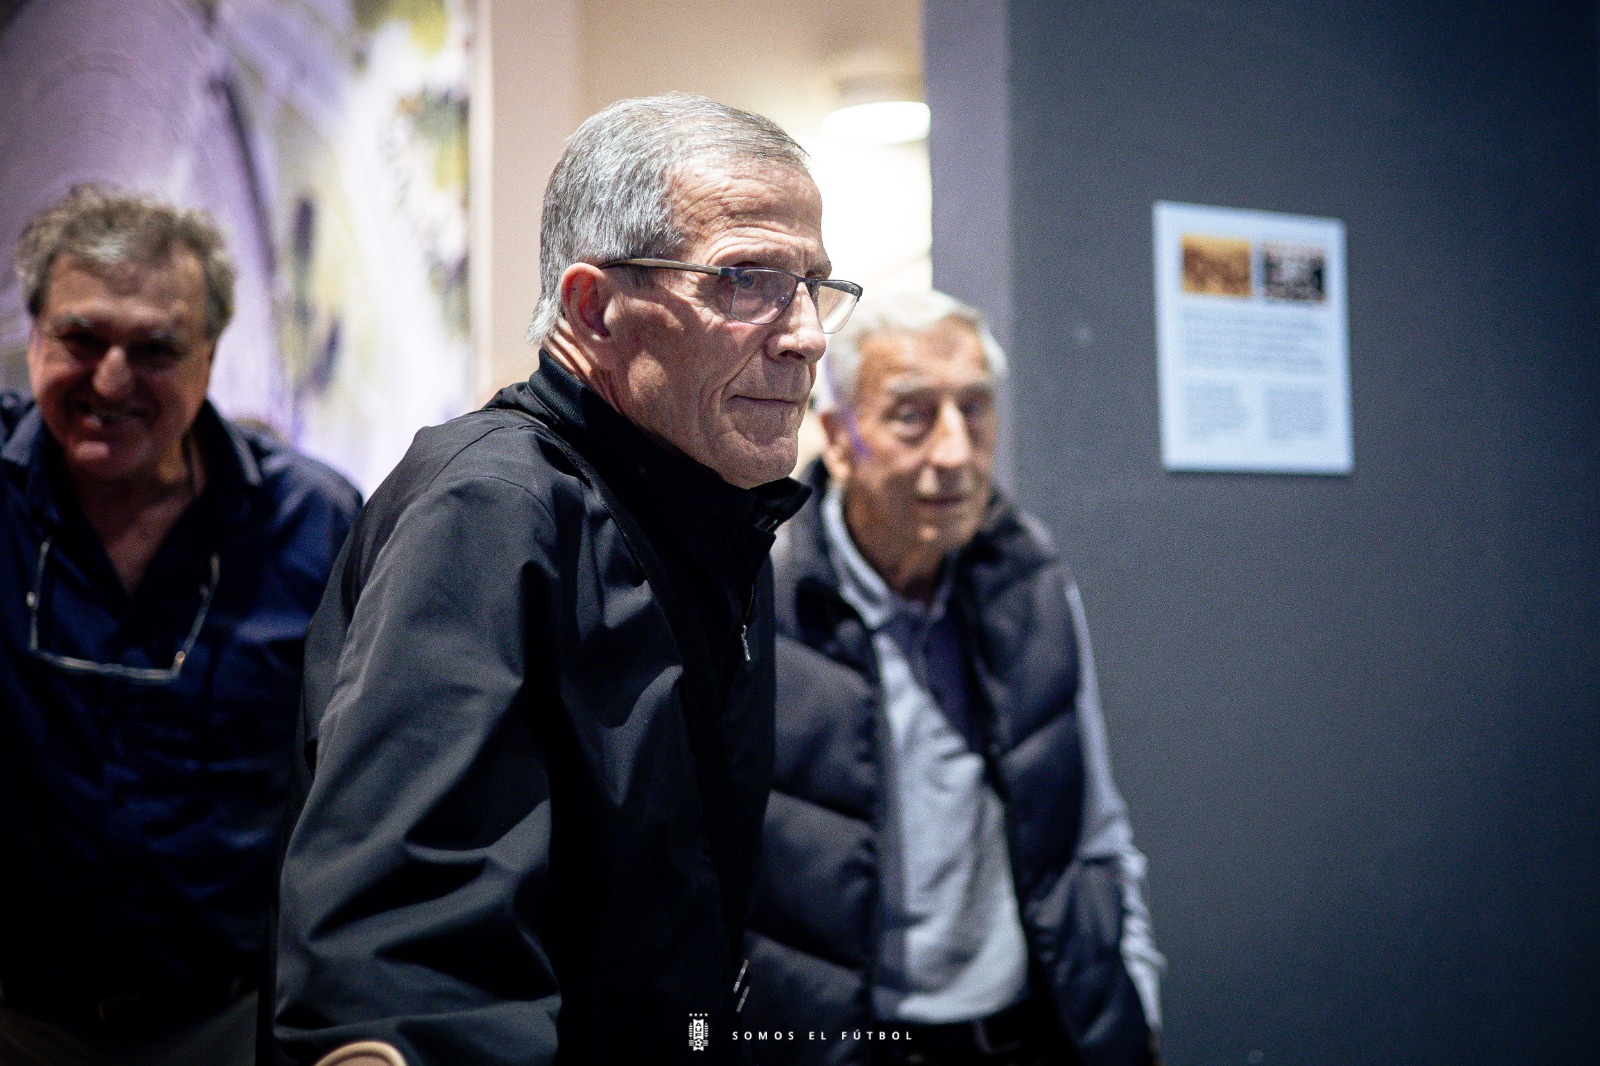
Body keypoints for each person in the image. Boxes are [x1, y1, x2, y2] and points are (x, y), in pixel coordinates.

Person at [270, 93, 860, 1066]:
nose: (806, 334)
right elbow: (402, 964)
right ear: (592, 308)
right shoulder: (493, 508)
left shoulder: (705, 503)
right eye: (746, 280)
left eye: (813, 285)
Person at [744, 290, 1164, 1066]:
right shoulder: (760, 600)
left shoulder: (1029, 580)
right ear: (840, 438)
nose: (955, 452)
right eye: (912, 416)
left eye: (975, 410)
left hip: (1031, 1033)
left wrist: (1133, 992)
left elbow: (1095, 826)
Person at [0, 186, 362, 1064]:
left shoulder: (311, 524)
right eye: (81, 339)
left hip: (228, 1026)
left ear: (209, 357)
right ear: (34, 335)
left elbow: (359, 788)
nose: (110, 380)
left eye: (156, 348)